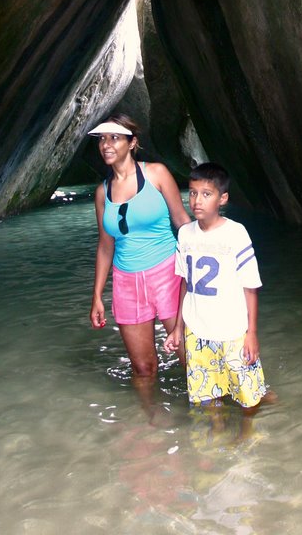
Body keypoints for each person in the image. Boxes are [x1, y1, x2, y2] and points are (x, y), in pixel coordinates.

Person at [89, 114, 190, 394]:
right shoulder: (102, 192)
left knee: (188, 355)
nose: (106, 145)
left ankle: (211, 417)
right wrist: (97, 295)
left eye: (114, 138)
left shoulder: (156, 174)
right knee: (143, 369)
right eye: (102, 139)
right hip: (127, 283)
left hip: (167, 273)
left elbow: (182, 220)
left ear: (132, 143)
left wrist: (211, 248)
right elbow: (105, 245)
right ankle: (150, 423)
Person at [164, 162, 268, 410]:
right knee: (207, 397)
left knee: (249, 399)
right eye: (192, 192)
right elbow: (184, 282)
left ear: (223, 199)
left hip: (233, 330)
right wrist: (178, 328)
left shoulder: (236, 233)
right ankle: (213, 442)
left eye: (206, 194)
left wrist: (251, 333)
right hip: (197, 331)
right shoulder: (185, 234)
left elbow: (250, 287)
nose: (197, 200)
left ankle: (248, 439)